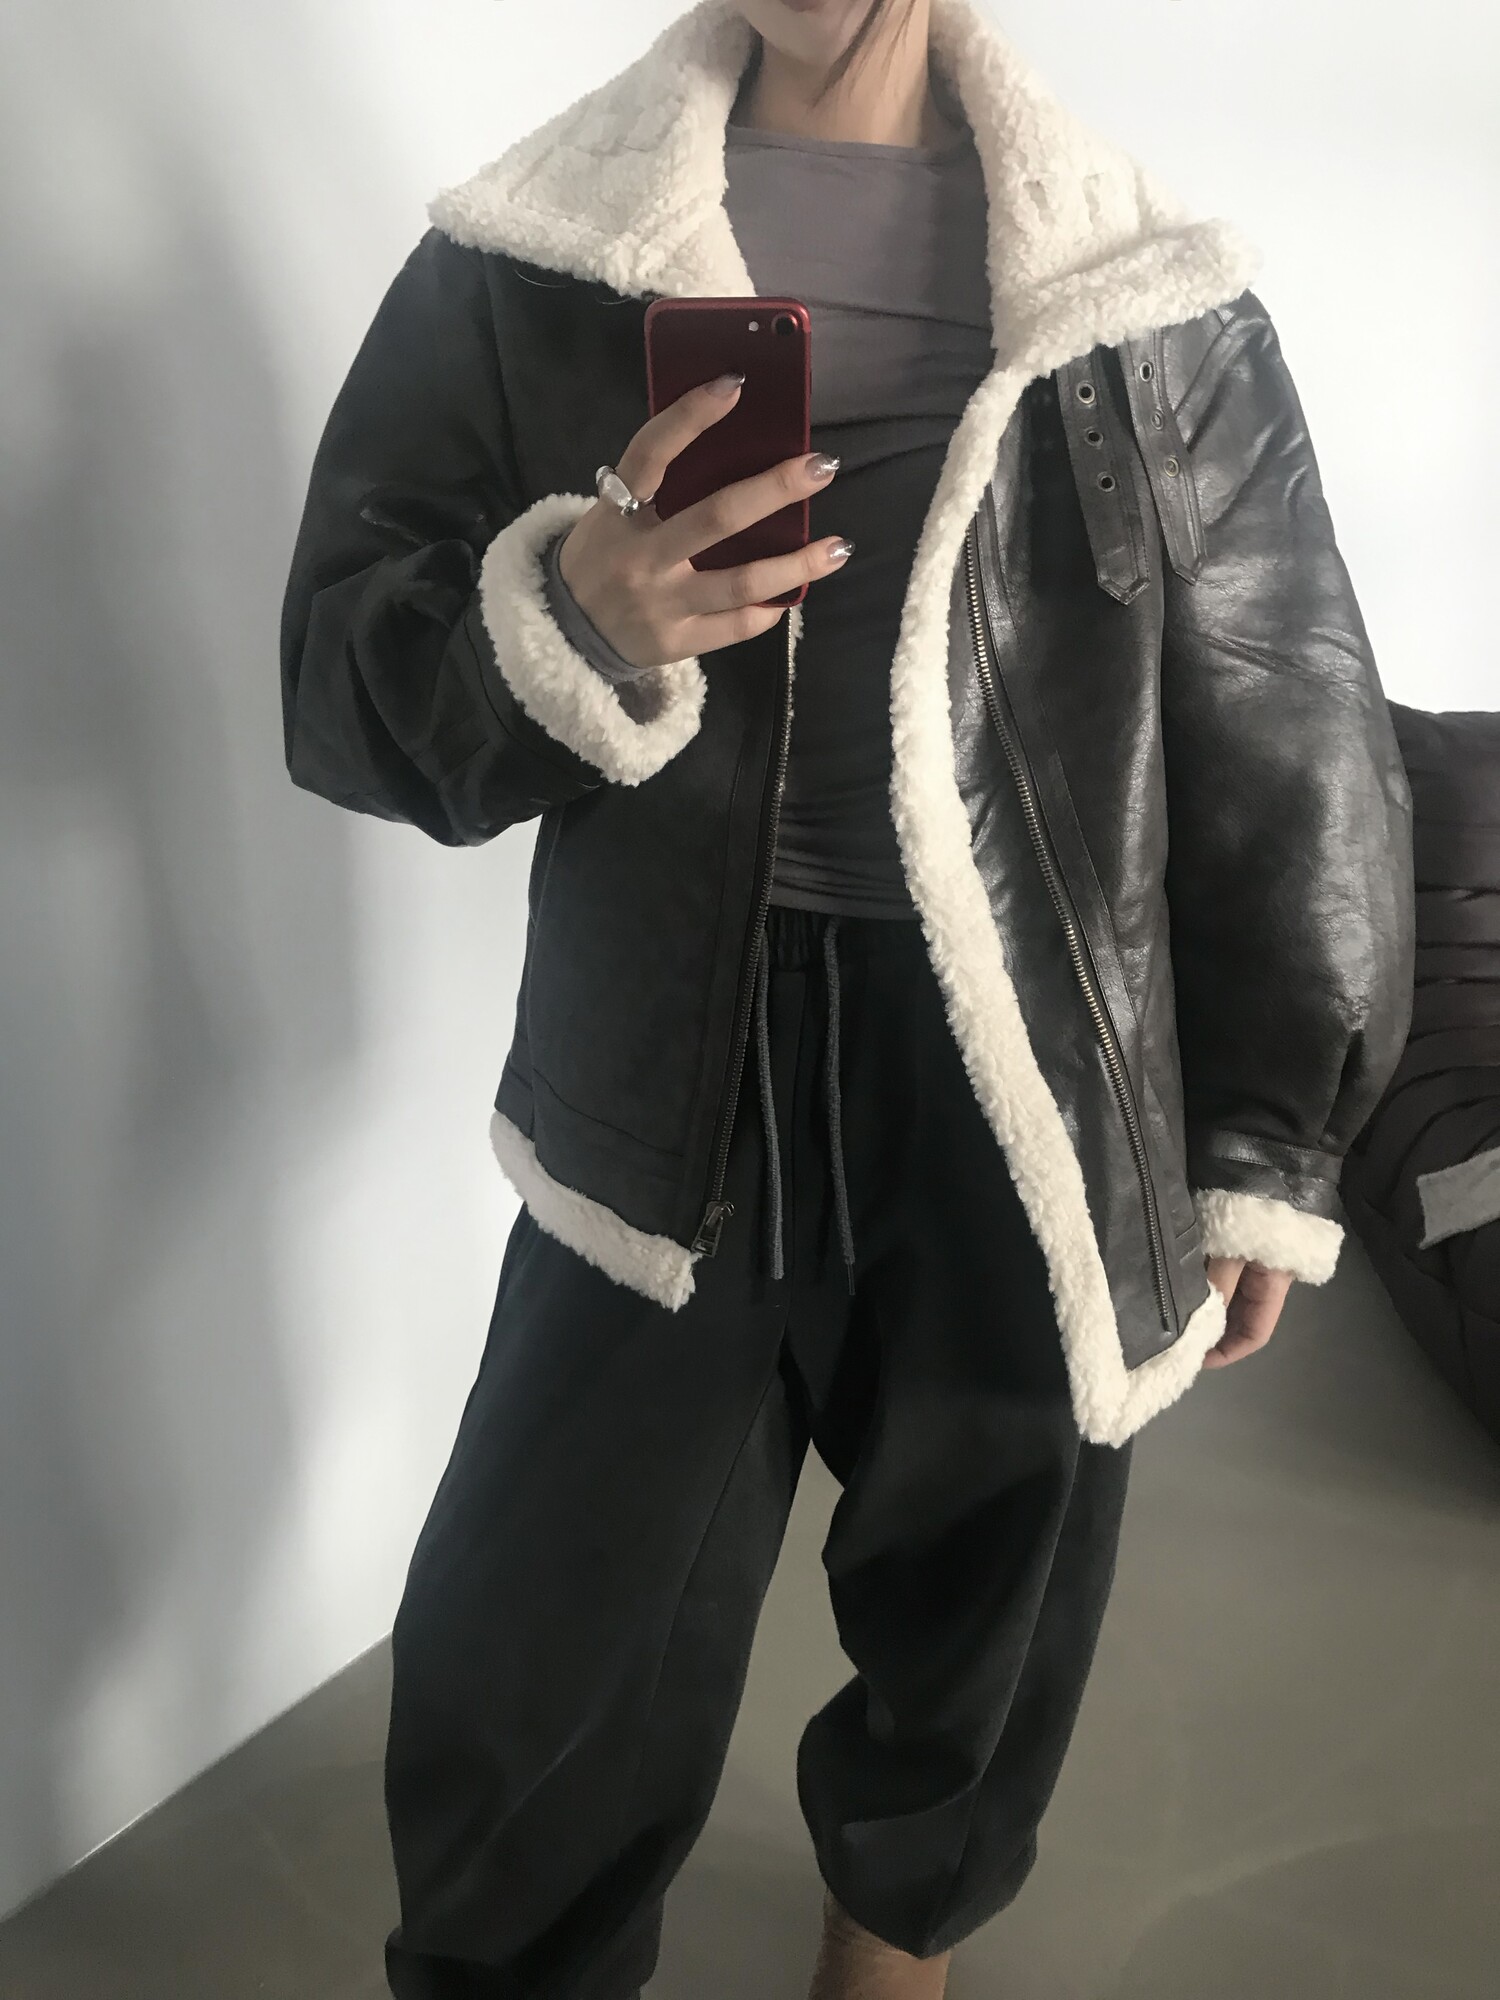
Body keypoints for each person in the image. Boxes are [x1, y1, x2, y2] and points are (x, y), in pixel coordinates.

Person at [278, 0, 1416, 1993]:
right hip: (662, 1056)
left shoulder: (1144, 288)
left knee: (994, 1570)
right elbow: (337, 679)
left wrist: (1269, 1136)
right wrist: (568, 616)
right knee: (542, 1629)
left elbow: (1283, 713)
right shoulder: (534, 251)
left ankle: (896, 1942)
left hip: (1037, 1059)